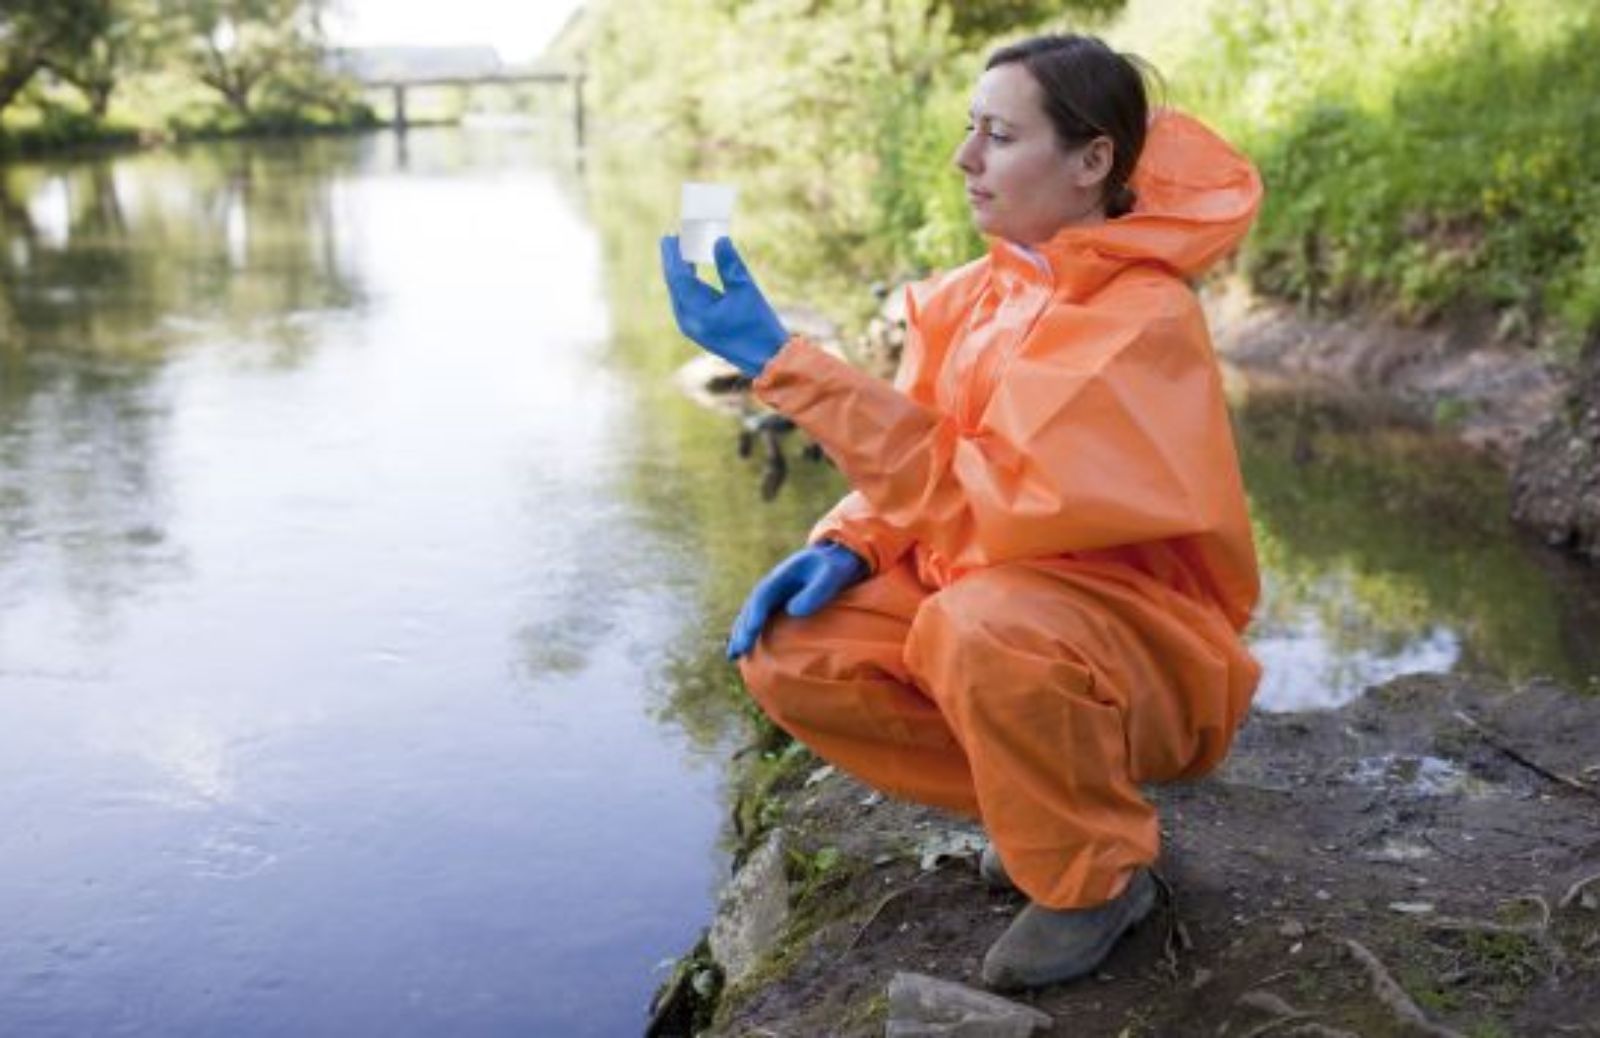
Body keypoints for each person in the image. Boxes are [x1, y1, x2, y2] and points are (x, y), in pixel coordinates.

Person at [659, 33, 1263, 991]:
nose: (964, 159)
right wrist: (852, 542)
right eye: (968, 130)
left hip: (1145, 654)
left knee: (978, 627)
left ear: (1092, 160)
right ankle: (1053, 816)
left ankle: (1098, 878)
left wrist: (789, 367)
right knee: (794, 649)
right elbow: (919, 465)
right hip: (1007, 621)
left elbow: (984, 499)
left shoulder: (1139, 318)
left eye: (999, 134)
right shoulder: (975, 295)